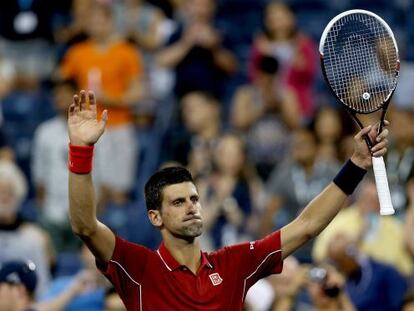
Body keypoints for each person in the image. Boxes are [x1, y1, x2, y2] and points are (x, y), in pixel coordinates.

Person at [67, 90, 389, 310]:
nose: (191, 205)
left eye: (194, 198)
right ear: (155, 217)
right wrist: (81, 151)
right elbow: (85, 225)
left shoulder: (234, 264)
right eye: (178, 202)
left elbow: (306, 226)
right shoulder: (138, 266)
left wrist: (356, 164)